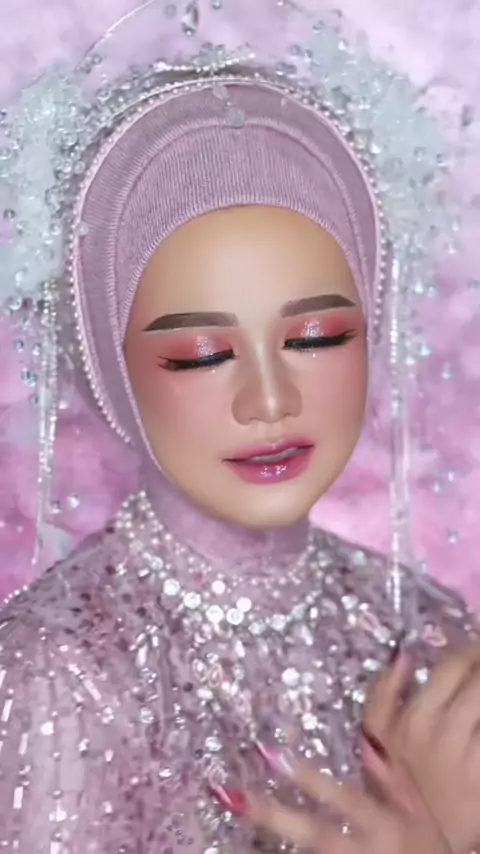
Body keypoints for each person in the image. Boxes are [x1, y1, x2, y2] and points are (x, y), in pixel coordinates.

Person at [0, 3, 478, 852]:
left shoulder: (423, 636)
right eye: (200, 354)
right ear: (109, 368)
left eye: (316, 338)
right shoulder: (63, 669)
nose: (269, 399)